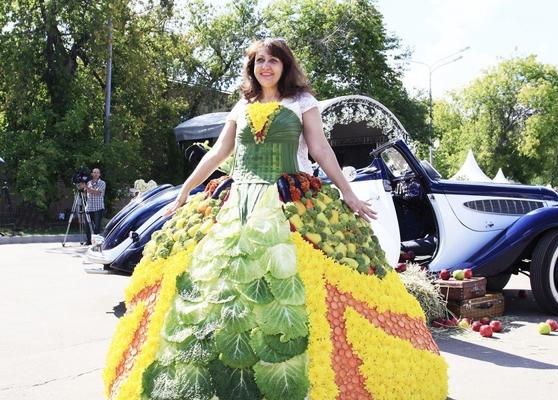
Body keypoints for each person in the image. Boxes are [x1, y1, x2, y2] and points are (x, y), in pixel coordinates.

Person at [103, 38, 447, 400]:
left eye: (273, 61)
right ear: (252, 68)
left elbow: (320, 148)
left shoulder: (302, 103)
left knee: (295, 279)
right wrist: (186, 190)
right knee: (213, 280)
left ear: (285, 66)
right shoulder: (242, 106)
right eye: (259, 61)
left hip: (289, 199)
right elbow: (221, 152)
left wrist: (348, 192)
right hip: (237, 201)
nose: (265, 67)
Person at [84, 167, 105, 244]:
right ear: (92, 174)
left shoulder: (102, 183)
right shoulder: (88, 182)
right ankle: (89, 241)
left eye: (97, 172)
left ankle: (96, 242)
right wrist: (81, 186)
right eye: (94, 172)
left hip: (98, 208)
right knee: (87, 226)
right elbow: (84, 192)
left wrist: (86, 187)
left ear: (99, 174)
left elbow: (97, 192)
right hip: (89, 207)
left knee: (97, 227)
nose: (96, 174)